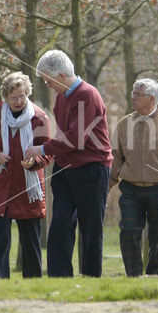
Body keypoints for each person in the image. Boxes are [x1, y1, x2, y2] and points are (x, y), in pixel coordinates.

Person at [24, 49, 112, 277]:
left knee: (90, 228)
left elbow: (75, 139)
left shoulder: (87, 95)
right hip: (65, 169)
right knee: (61, 224)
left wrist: (42, 148)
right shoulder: (61, 97)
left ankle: (91, 276)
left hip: (92, 169)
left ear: (61, 76)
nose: (48, 85)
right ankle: (59, 276)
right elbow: (64, 138)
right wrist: (46, 156)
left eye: (49, 80)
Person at [0, 72, 52, 279]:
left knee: (30, 240)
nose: (19, 101)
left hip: (28, 187)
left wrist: (35, 162)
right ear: (5, 98)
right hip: (0, 186)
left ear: (28, 93)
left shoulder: (40, 118)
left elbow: (47, 152)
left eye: (22, 96)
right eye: (14, 97)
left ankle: (34, 281)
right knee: (0, 239)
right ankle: (0, 281)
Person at [110, 79, 158, 276]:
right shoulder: (124, 124)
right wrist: (105, 189)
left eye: (137, 94)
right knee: (129, 231)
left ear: (151, 98)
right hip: (130, 189)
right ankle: (134, 276)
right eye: (132, 93)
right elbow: (114, 159)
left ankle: (154, 276)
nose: (132, 97)